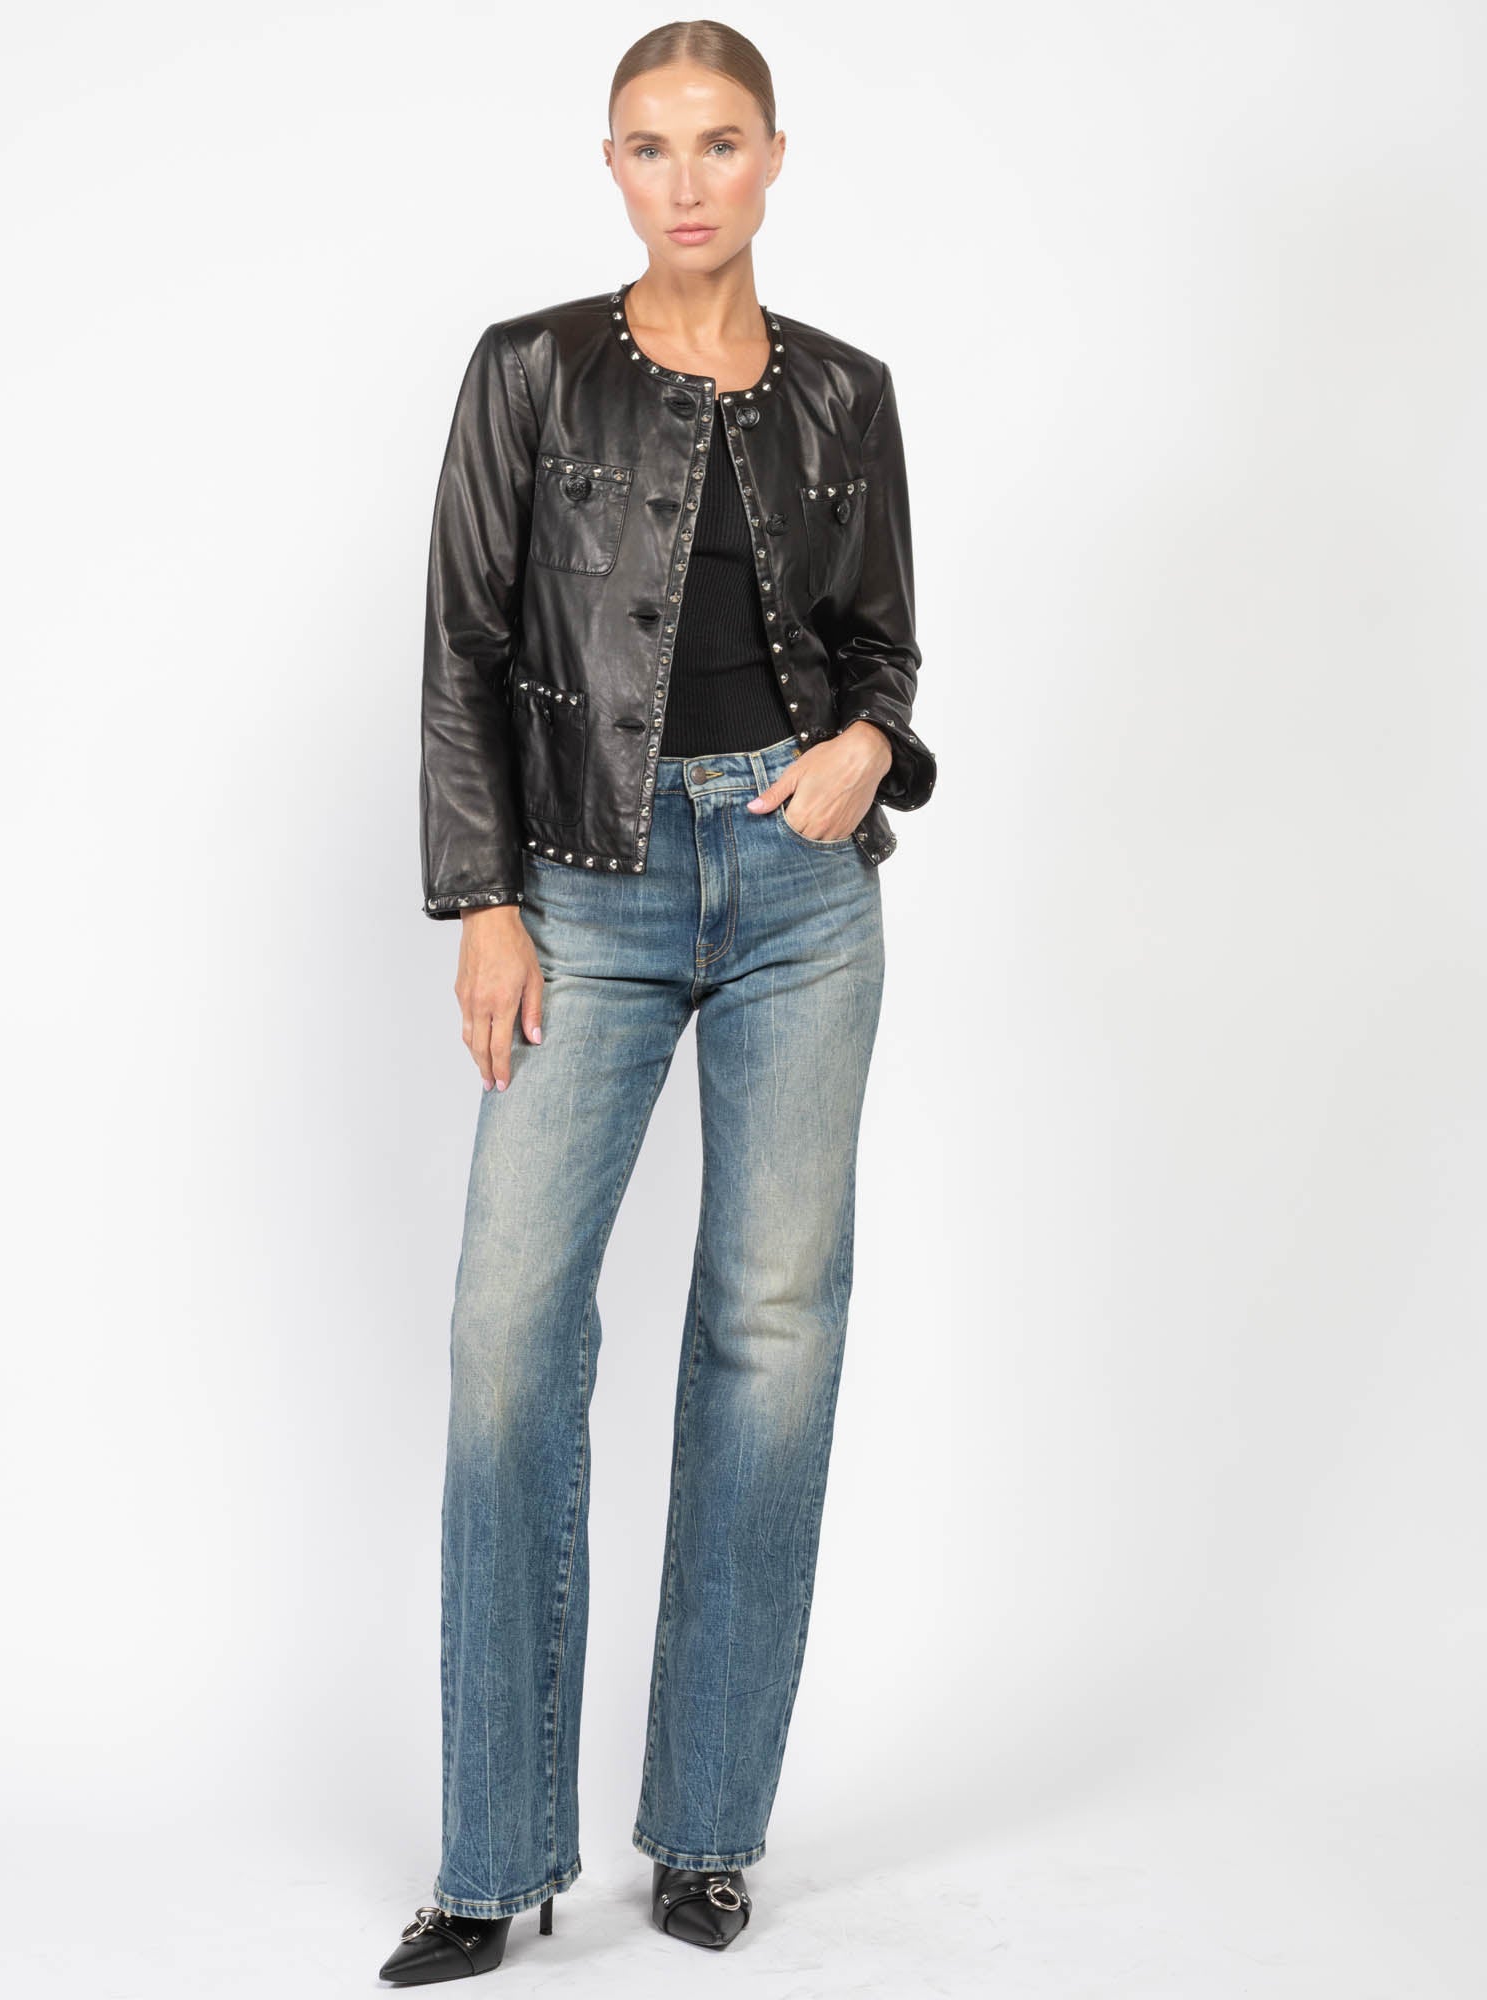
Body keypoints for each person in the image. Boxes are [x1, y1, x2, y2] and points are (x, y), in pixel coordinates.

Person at [378, 19, 936, 1984]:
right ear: (608, 166)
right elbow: (461, 641)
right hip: (583, 894)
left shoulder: (846, 391)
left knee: (769, 1339)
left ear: (773, 157)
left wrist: (867, 743)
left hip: (799, 891)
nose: (683, 180)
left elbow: (882, 650)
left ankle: (704, 1834)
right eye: (647, 145)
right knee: (508, 1342)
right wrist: (483, 900)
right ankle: (490, 1856)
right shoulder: (527, 370)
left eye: (716, 142)